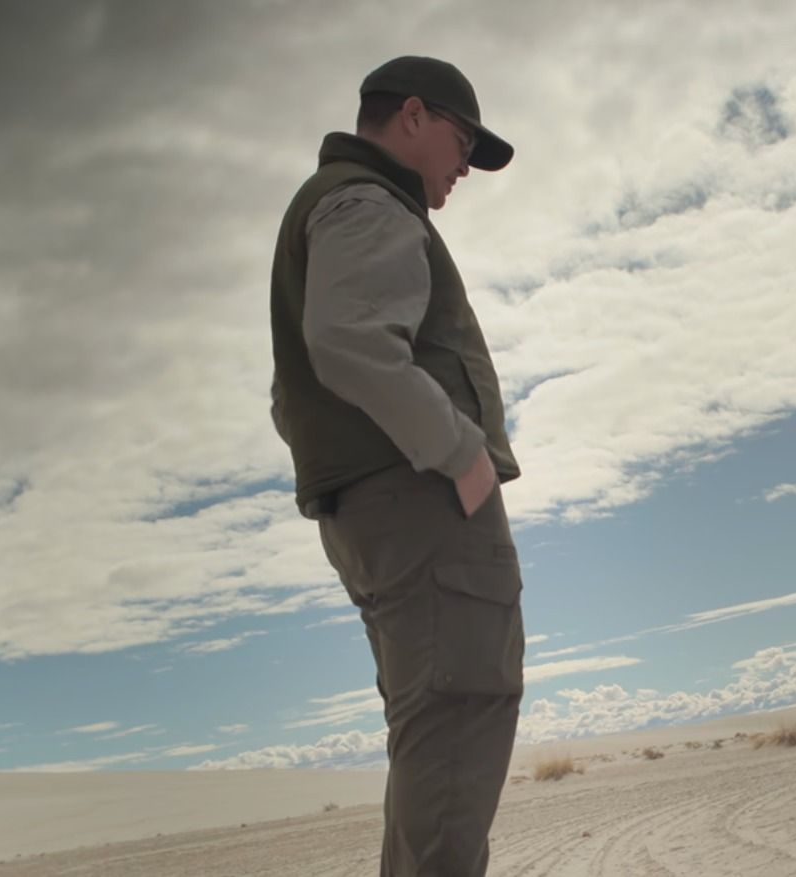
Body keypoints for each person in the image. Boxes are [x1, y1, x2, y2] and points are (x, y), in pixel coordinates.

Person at [268, 55, 525, 875]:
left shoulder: (334, 205)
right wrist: (461, 457)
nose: (461, 170)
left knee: (431, 735)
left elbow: (290, 395)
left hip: (374, 511)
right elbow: (345, 342)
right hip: (421, 503)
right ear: (412, 117)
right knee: (458, 719)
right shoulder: (368, 200)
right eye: (461, 143)